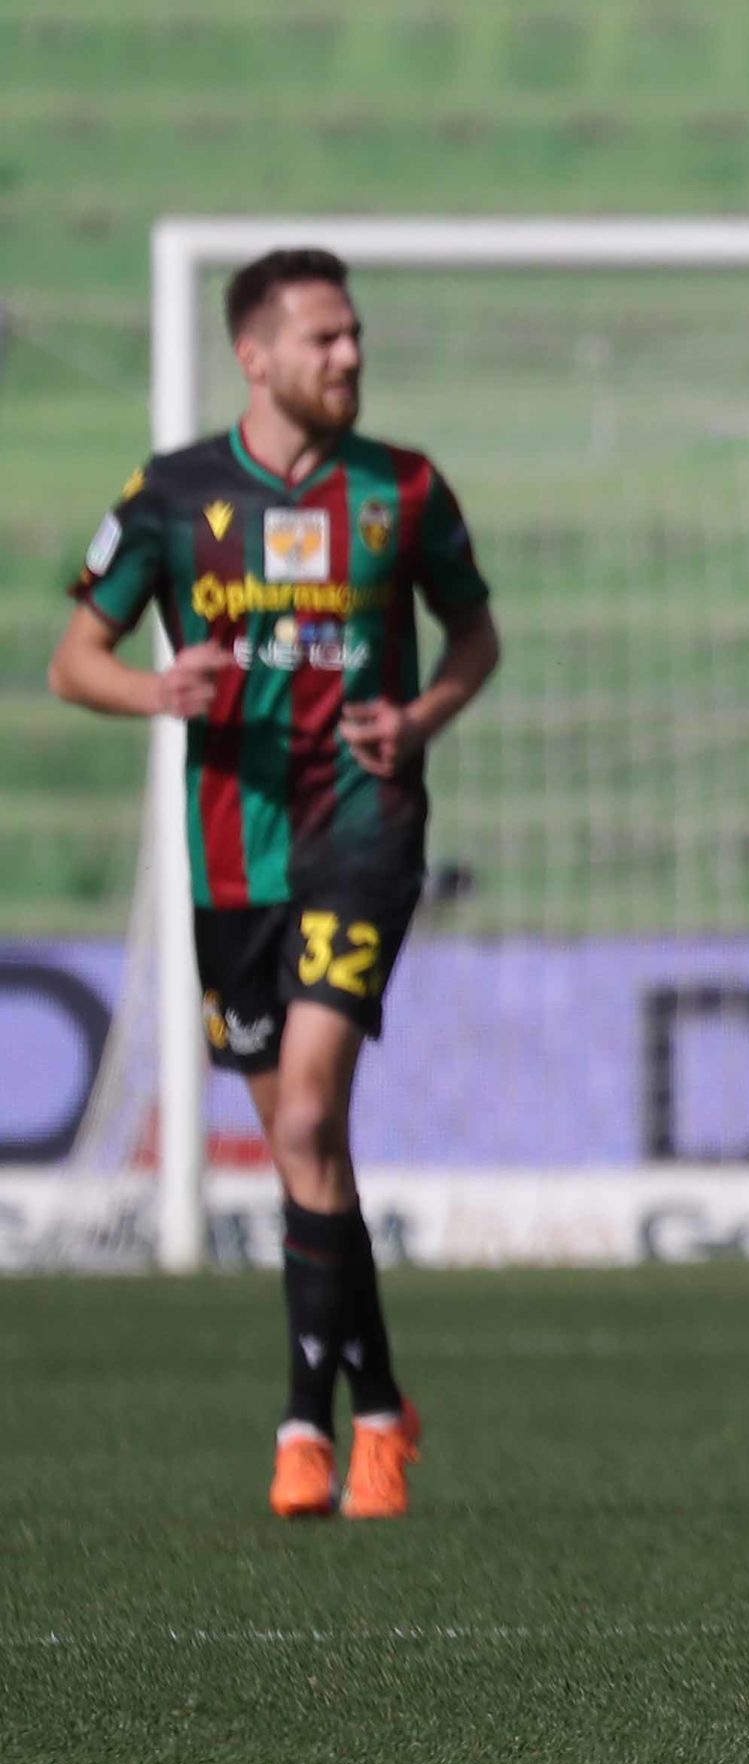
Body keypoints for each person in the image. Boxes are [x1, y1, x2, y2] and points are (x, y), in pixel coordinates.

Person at [50, 247, 500, 1520]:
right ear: (254, 357)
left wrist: (417, 718)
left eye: (354, 334)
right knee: (312, 1149)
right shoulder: (172, 495)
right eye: (323, 338)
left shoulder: (403, 489)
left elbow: (475, 636)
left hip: (363, 833)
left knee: (302, 1117)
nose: (350, 355)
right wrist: (158, 688)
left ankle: (306, 1428)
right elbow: (75, 660)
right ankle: (386, 1410)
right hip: (232, 854)